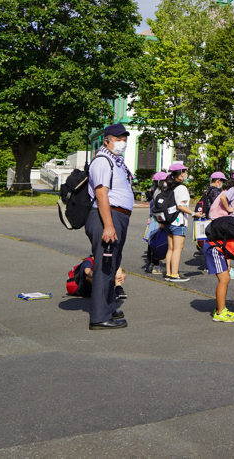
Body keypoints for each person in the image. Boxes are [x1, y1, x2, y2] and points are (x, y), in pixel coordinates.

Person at [84, 123, 134, 330]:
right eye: (118, 138)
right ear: (107, 140)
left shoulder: (116, 161)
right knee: (105, 268)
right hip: (107, 216)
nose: (122, 142)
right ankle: (99, 317)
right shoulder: (103, 161)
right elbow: (101, 194)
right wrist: (109, 226)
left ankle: (107, 306)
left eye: (124, 139)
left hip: (116, 216)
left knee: (112, 265)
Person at [163, 162, 195, 283]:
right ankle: (175, 274)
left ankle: (168, 273)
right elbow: (181, 205)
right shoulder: (181, 188)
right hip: (178, 221)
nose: (186, 174)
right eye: (185, 172)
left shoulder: (168, 186)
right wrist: (193, 213)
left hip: (168, 221)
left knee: (170, 248)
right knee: (177, 249)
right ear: (180, 174)